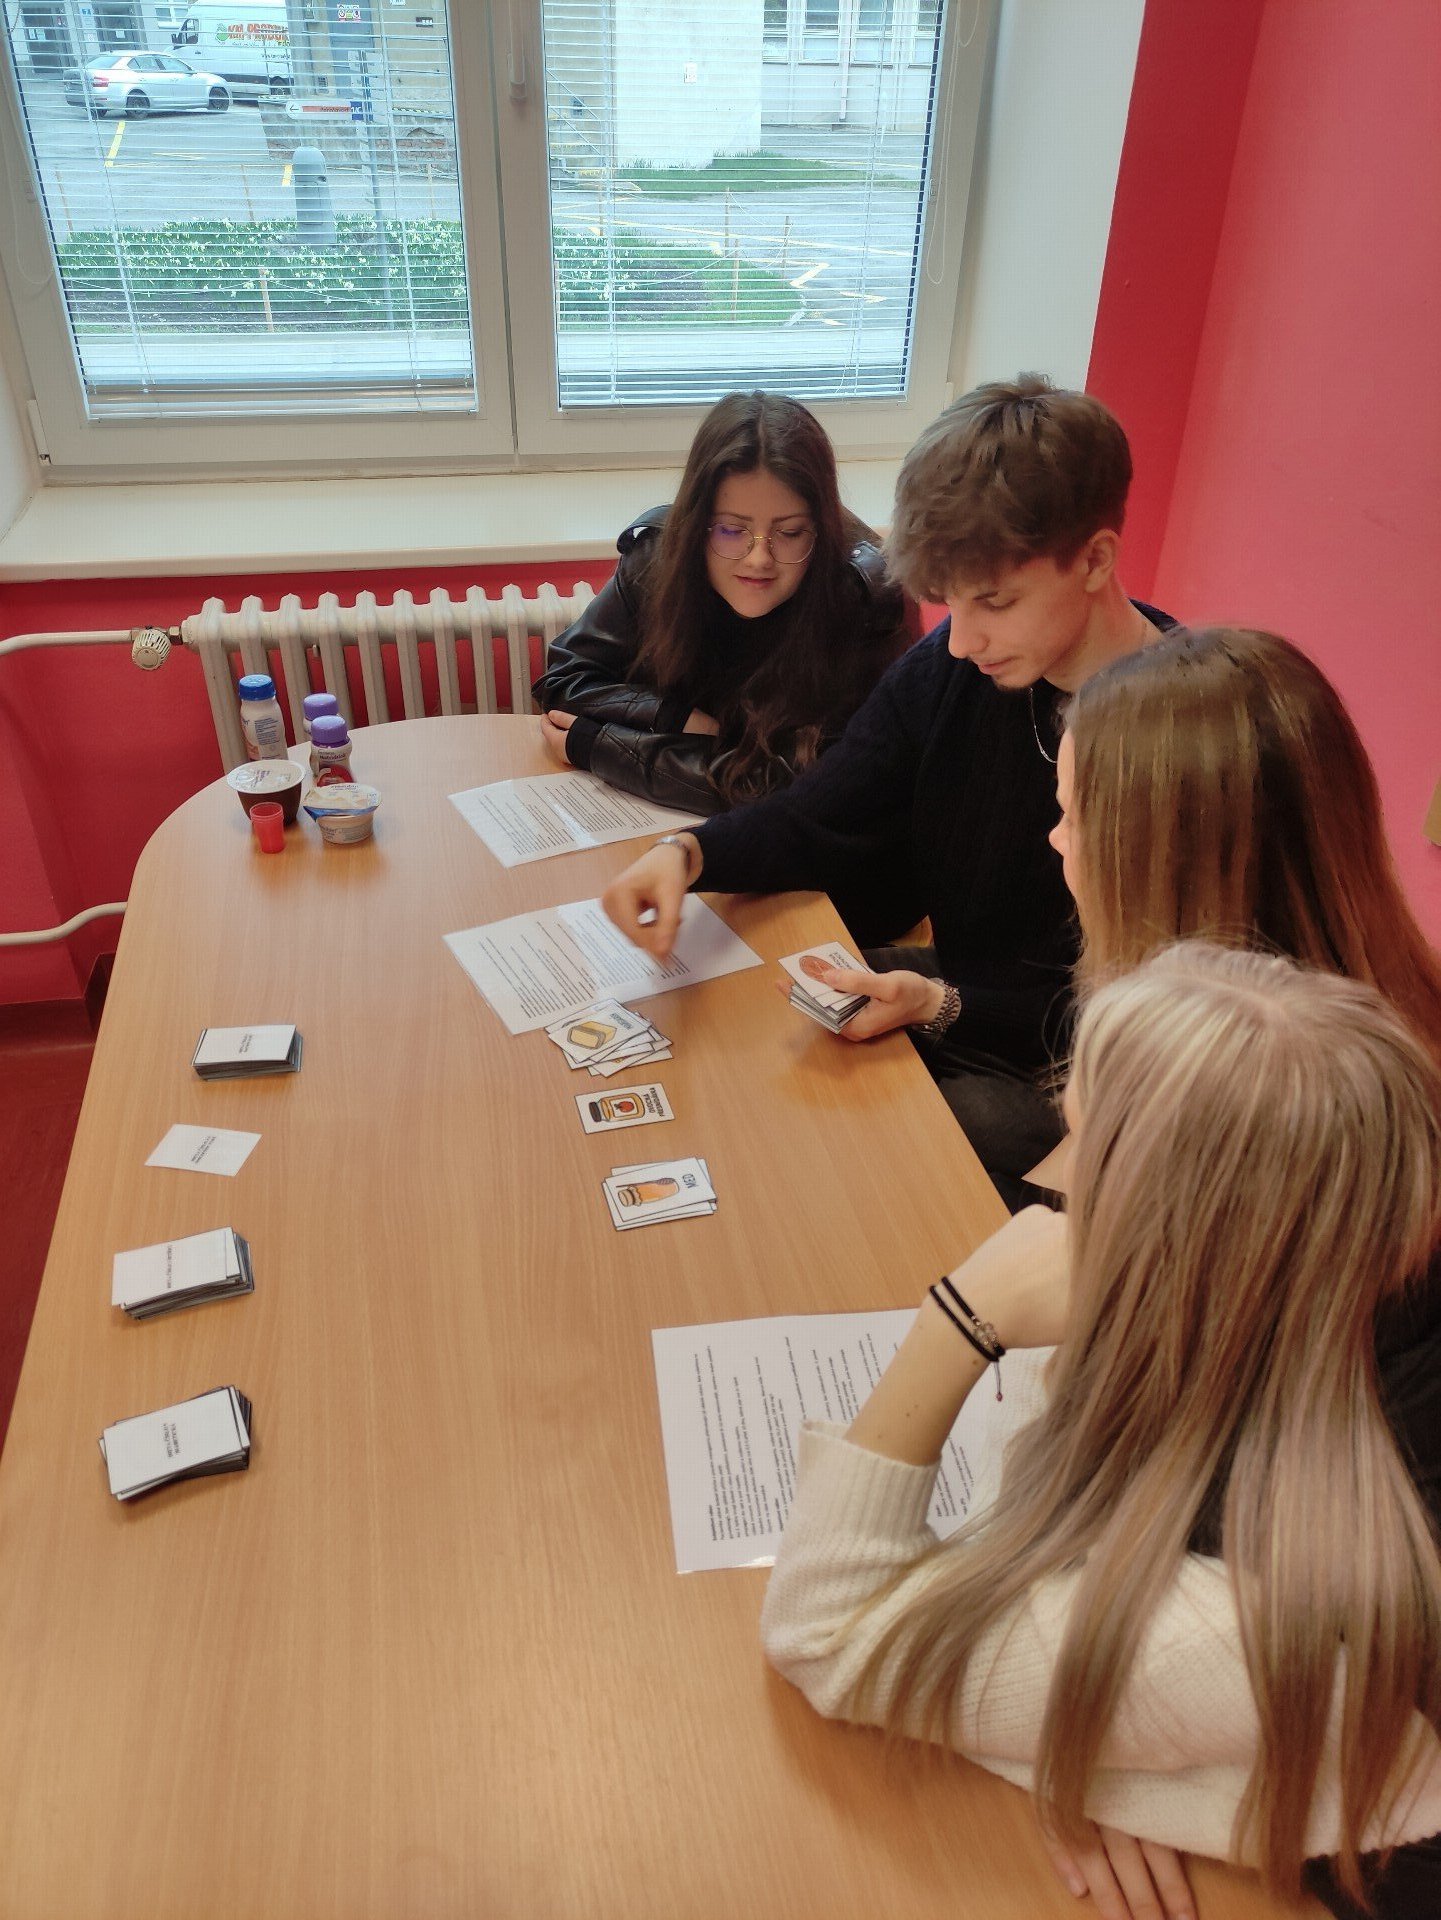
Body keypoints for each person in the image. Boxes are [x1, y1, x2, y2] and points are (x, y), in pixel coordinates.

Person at [761, 942, 1441, 1919]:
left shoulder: (1243, 1627)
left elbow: (825, 1631)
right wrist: (1115, 1745)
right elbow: (1042, 1491)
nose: (1052, 1183)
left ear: (1171, 1234)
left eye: (1078, 1141)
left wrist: (956, 1323)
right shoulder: (1325, 1328)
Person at [1039, 626, 1441, 1918]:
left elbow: (1208, 1522)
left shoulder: (1278, 1143)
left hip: (1364, 1776)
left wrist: (1125, 1753)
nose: (1054, 844)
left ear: (1163, 858)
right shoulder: (1365, 1033)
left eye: (1074, 816)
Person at [600, 376, 1176, 1208]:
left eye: (995, 602)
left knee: (854, 1156)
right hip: (968, 994)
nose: (962, 641)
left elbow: (1145, 1022)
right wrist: (687, 852)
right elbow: (823, 808)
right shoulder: (960, 665)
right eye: (950, 604)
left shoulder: (1175, 737)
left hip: (1078, 1070)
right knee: (744, 1024)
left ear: (1094, 559)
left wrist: (943, 1005)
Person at [534, 390, 908, 816]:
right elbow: (565, 680)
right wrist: (674, 716)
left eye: (789, 533)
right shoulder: (658, 555)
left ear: (819, 530)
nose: (759, 559)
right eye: (731, 530)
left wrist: (602, 748)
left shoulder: (858, 597)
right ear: (697, 525)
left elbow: (797, 787)